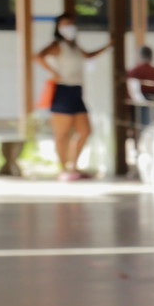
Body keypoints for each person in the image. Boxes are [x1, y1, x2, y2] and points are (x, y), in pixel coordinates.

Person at [35, 11, 108, 181]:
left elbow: (88, 56)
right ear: (58, 28)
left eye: (71, 24)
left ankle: (73, 165)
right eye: (65, 25)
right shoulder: (57, 45)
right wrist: (53, 72)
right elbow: (38, 56)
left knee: (85, 130)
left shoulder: (74, 46)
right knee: (62, 133)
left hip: (77, 91)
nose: (69, 28)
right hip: (62, 91)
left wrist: (109, 45)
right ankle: (63, 169)